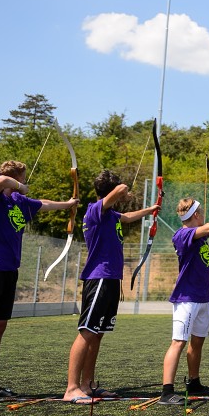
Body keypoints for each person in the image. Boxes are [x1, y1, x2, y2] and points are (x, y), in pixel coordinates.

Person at [0, 160, 77, 404]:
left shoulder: (18, 202)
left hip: (9, 269)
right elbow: (0, 182)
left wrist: (69, 205)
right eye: (23, 176)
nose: (26, 181)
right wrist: (19, 184)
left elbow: (44, 204)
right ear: (16, 176)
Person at [63, 170, 158, 403]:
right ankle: (71, 388)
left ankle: (88, 384)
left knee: (97, 334)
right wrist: (123, 192)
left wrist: (151, 210)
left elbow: (127, 218)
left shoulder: (111, 215)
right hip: (100, 277)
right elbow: (119, 191)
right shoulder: (96, 210)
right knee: (87, 331)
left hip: (110, 279)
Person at [158, 198, 209, 405]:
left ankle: (194, 382)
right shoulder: (182, 234)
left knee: (198, 341)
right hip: (187, 298)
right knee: (178, 342)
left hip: (202, 298)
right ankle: (166, 392)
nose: (204, 215)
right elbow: (208, 228)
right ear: (196, 215)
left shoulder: (197, 234)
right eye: (202, 212)